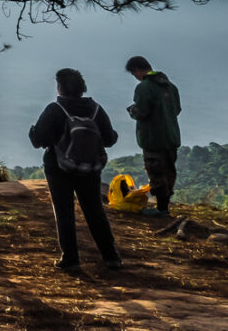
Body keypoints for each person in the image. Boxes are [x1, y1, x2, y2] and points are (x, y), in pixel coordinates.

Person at [28, 67, 125, 272]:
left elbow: (39, 140)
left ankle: (70, 259)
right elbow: (109, 139)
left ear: (60, 87)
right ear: (82, 88)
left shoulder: (55, 109)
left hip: (59, 168)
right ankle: (111, 256)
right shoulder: (96, 109)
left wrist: (33, 132)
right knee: (95, 211)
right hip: (90, 168)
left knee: (64, 212)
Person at [124, 55, 183, 218]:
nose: (135, 77)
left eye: (134, 73)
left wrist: (131, 110)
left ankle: (161, 210)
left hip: (153, 139)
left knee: (156, 172)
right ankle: (164, 207)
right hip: (171, 137)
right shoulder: (171, 87)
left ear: (137, 70)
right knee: (169, 172)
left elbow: (142, 112)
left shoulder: (144, 87)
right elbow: (176, 110)